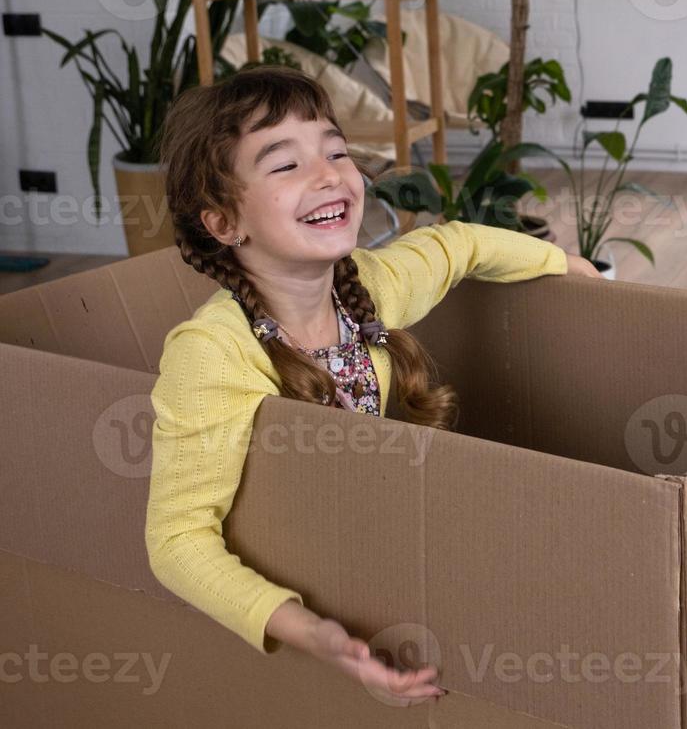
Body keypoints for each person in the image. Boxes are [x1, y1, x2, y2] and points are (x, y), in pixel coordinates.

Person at [145, 66, 599, 703]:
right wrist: (312, 631)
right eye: (285, 165)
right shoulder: (211, 355)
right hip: (314, 574)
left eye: (335, 151)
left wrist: (569, 264)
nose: (329, 174)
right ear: (223, 223)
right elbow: (178, 540)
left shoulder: (370, 287)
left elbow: (459, 245)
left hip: (387, 539)